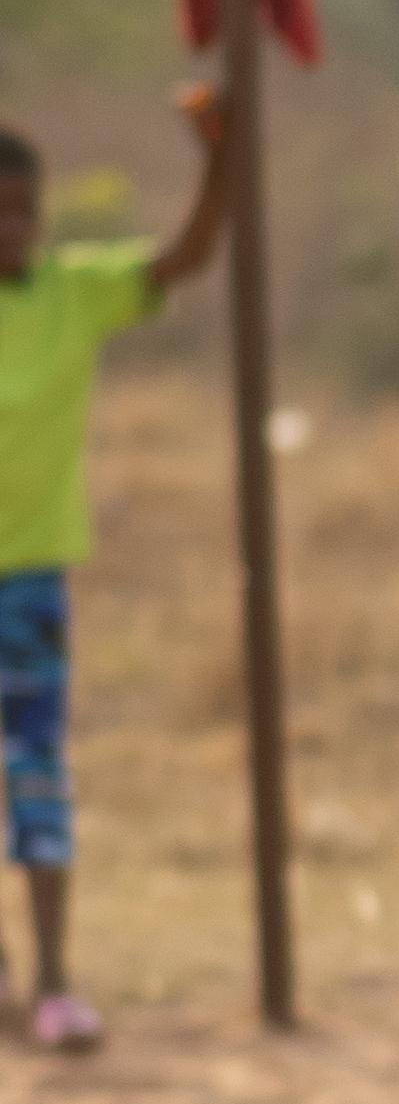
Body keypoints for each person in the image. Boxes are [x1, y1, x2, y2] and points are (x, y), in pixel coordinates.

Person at [0, 88, 233, 1053]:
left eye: (20, 211)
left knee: (38, 777)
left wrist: (218, 162)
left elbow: (182, 259)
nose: (8, 229)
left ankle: (53, 981)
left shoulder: (73, 292)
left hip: (30, 585)